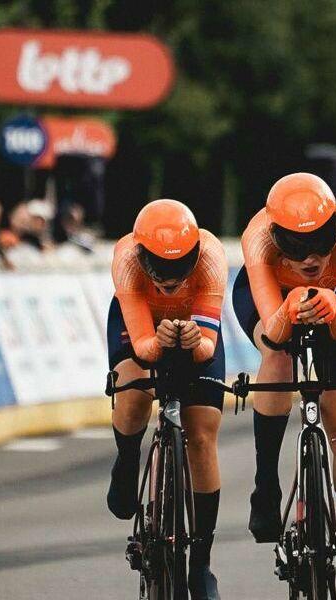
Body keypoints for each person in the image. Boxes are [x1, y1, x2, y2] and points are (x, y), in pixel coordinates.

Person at [234, 173, 336, 599]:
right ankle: (266, 484)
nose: (312, 258)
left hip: (335, 304)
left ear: (335, 227)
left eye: (321, 243)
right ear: (277, 237)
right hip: (274, 300)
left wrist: (332, 306)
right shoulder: (257, 237)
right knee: (276, 355)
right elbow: (275, 334)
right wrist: (290, 308)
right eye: (297, 248)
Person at [104, 199, 227, 600]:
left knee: (203, 436)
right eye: (160, 267)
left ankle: (202, 563)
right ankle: (126, 461)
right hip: (140, 320)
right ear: (142, 255)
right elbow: (142, 345)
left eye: (179, 267)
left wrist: (197, 341)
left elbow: (208, 344)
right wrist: (157, 343)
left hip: (194, 324)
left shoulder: (210, 255)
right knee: (135, 390)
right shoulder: (125, 256)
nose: (170, 278)